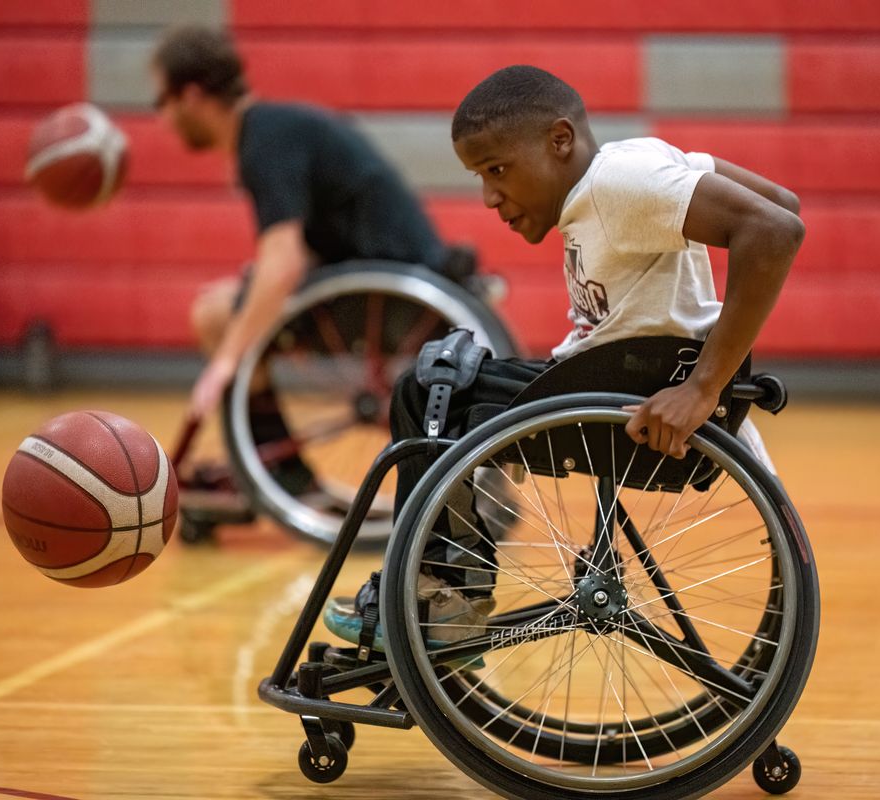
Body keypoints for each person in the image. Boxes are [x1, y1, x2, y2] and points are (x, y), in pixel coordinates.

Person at [324, 64, 804, 647]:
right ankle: (442, 596)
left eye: (497, 170)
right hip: (608, 384)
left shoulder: (618, 182)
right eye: (479, 176)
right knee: (449, 378)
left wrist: (704, 386)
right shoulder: (625, 172)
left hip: (628, 397)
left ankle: (441, 599)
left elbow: (775, 228)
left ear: (560, 141)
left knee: (427, 388)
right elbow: (782, 200)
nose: (489, 197)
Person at [149, 26, 459, 421]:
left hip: (393, 301)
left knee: (215, 318)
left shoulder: (263, 143)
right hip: (399, 282)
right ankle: (274, 469)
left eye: (162, 101)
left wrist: (223, 363)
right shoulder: (276, 128)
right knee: (230, 299)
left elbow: (284, 263)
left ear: (191, 96)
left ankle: (277, 474)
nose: (162, 118)